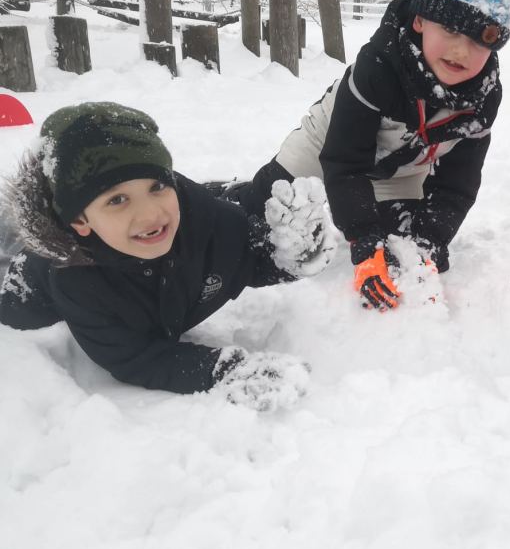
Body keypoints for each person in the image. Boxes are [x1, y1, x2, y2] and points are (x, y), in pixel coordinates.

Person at [220, 0, 510, 311]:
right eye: (450, 29)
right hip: (329, 143)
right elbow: (344, 162)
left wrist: (431, 239)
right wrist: (362, 240)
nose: (460, 51)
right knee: (263, 216)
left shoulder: (483, 98)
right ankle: (232, 194)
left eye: (478, 40)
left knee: (401, 248)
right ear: (420, 21)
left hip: (401, 170)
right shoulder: (380, 66)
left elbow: (457, 183)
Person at [0, 102, 336, 409]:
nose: (150, 214)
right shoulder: (74, 278)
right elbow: (134, 357)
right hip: (23, 293)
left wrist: (293, 253)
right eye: (117, 200)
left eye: (157, 187)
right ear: (80, 221)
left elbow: (248, 260)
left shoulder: (207, 221)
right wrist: (223, 370)